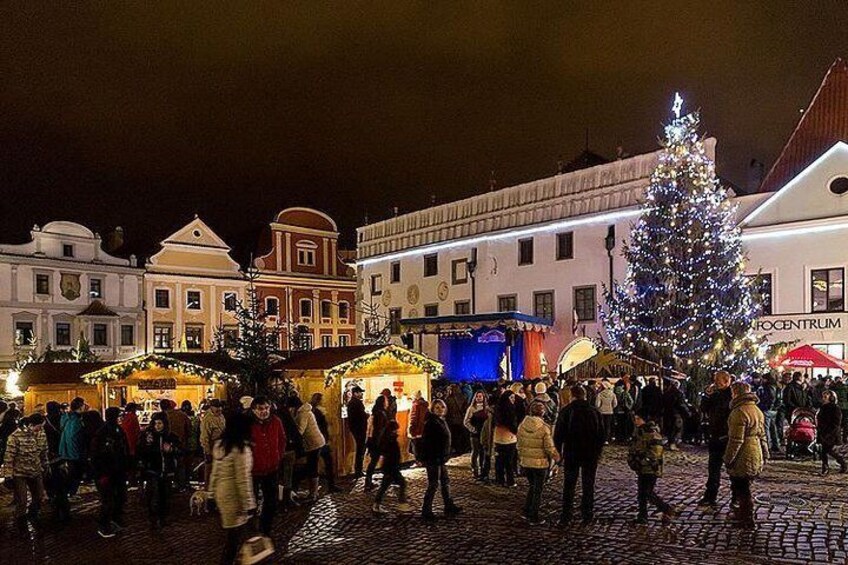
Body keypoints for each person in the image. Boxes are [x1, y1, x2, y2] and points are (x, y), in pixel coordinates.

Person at [553, 384, 605, 526]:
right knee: (588, 484)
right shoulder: (594, 411)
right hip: (590, 454)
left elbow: (558, 435)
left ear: (572, 396)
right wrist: (598, 451)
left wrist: (558, 454)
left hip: (572, 453)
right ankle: (587, 514)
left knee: (569, 485)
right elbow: (602, 434)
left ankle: (566, 516)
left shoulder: (566, 411)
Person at [209, 412, 256, 565]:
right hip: (235, 498)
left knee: (234, 538)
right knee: (234, 540)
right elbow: (243, 480)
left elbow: (214, 473)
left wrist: (211, 494)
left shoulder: (221, 445)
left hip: (222, 495)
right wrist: (249, 505)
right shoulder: (241, 449)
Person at [724, 382, 768, 529]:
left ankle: (747, 518)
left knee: (743, 488)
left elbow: (736, 440)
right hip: (755, 450)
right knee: (743, 486)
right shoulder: (756, 410)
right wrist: (765, 453)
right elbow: (762, 435)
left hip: (744, 452)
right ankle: (742, 514)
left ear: (736, 393)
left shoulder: (739, 412)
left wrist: (728, 458)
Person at [517, 401, 560, 525]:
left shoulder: (522, 425)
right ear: (543, 413)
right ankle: (533, 515)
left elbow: (519, 444)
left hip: (526, 462)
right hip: (540, 463)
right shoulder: (544, 428)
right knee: (538, 490)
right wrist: (557, 457)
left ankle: (527, 509)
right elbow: (549, 448)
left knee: (532, 486)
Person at [628, 415, 676, 524]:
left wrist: (642, 461)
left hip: (650, 468)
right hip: (642, 467)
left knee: (647, 492)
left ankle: (665, 508)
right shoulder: (640, 431)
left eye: (638, 418)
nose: (635, 421)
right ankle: (642, 515)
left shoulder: (652, 434)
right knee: (642, 493)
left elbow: (655, 454)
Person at [418, 399, 461, 521]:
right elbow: (427, 442)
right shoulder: (431, 423)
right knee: (433, 484)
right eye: (437, 407)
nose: (440, 409)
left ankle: (448, 505)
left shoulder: (441, 420)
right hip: (434, 458)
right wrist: (431, 457)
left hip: (441, 458)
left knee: (445, 481)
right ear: (432, 409)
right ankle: (426, 511)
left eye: (442, 407)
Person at [90, 407, 130, 538]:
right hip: (107, 471)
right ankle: (104, 525)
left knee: (120, 497)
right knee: (108, 500)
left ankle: (115, 520)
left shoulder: (118, 430)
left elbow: (124, 449)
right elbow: (97, 455)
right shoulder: (103, 432)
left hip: (117, 470)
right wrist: (101, 473)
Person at [250, 396, 286, 535]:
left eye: (266, 408)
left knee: (271, 501)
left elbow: (282, 440)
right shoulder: (248, 424)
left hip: (272, 468)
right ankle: (252, 530)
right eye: (260, 409)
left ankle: (265, 529)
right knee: (251, 501)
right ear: (253, 410)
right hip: (253, 470)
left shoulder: (276, 421)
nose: (264, 411)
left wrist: (278, 456)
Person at [697, 370, 733, 509]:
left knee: (732, 471)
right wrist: (707, 396)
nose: (715, 383)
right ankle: (710, 496)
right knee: (713, 469)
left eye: (717, 380)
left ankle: (736, 498)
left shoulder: (731, 396)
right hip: (715, 436)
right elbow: (704, 408)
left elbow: (725, 412)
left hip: (727, 436)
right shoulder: (715, 394)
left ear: (726, 381)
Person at [138, 412, 180, 529]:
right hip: (153, 471)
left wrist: (171, 449)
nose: (158, 426)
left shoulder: (170, 436)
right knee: (153, 495)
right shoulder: (147, 436)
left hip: (166, 471)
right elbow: (141, 452)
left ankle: (162, 518)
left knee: (165, 496)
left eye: (160, 423)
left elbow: (179, 450)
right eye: (156, 423)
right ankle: (153, 518)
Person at [4, 414, 48, 528]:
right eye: (39, 427)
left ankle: (33, 514)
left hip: (36, 470)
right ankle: (21, 522)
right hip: (20, 473)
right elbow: (9, 457)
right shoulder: (15, 436)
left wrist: (46, 465)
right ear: (30, 425)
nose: (40, 430)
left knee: (39, 496)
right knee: (22, 500)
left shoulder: (41, 434)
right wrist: (8, 475)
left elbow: (44, 451)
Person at [56, 396, 86, 521]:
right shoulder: (76, 420)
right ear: (80, 406)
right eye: (83, 404)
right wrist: (77, 453)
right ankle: (69, 494)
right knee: (75, 474)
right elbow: (74, 438)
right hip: (73, 452)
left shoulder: (66, 418)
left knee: (72, 473)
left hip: (65, 450)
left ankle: (67, 493)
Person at [372, 420, 412, 514]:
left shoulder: (387, 438)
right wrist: (396, 465)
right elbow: (392, 454)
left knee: (384, 486)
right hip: (391, 467)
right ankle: (402, 504)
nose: (397, 431)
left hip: (389, 466)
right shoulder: (390, 440)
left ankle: (376, 505)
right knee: (402, 483)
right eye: (396, 429)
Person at [295, 394, 326, 503]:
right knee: (311, 466)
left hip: (314, 444)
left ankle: (313, 494)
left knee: (311, 467)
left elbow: (300, 430)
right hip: (315, 442)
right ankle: (313, 492)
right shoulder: (306, 411)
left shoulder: (303, 413)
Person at [310, 393, 340, 493]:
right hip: (321, 440)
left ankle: (320, 487)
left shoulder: (313, 411)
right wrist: (326, 438)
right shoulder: (319, 411)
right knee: (327, 462)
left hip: (317, 440)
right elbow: (322, 427)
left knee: (318, 463)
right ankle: (330, 485)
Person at [162, 399, 192, 490]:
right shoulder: (182, 415)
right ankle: (181, 485)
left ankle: (168, 485)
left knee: (167, 465)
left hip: (166, 445)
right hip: (181, 444)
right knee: (181, 465)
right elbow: (189, 429)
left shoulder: (161, 416)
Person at [817, 390, 846, 475]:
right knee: (824, 451)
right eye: (823, 397)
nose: (823, 398)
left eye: (825, 397)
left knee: (829, 450)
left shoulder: (835, 408)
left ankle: (843, 464)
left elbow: (837, 423)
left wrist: (829, 432)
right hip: (823, 431)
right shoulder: (823, 407)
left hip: (831, 433)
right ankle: (825, 468)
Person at [493, 390, 518, 488]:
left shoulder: (497, 409)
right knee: (509, 461)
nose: (513, 400)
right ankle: (510, 481)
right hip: (509, 438)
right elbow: (512, 425)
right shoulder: (510, 410)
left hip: (498, 438)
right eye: (511, 398)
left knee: (499, 460)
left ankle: (500, 479)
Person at [200, 399, 226, 489]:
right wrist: (207, 452)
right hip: (212, 447)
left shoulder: (221, 416)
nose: (219, 409)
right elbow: (204, 437)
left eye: (220, 407)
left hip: (221, 446)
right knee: (210, 472)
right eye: (216, 407)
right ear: (211, 407)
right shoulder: (207, 419)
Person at [365, 395, 389, 491]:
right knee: (375, 461)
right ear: (383, 402)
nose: (387, 402)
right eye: (386, 400)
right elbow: (378, 430)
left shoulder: (376, 413)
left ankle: (369, 481)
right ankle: (368, 483)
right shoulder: (380, 413)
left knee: (375, 461)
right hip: (377, 441)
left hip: (374, 440)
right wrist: (380, 442)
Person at [463, 391, 488, 478]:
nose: (479, 398)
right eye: (477, 396)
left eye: (480, 396)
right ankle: (475, 469)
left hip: (484, 434)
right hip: (475, 434)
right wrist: (473, 429)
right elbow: (466, 421)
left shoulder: (487, 408)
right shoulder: (471, 408)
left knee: (483, 452)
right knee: (475, 452)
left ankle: (483, 469)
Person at [346, 386, 368, 478]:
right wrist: (367, 415)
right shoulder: (357, 403)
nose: (361, 394)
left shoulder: (351, 403)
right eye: (360, 392)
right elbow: (361, 416)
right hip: (359, 429)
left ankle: (358, 470)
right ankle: (358, 470)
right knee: (360, 449)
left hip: (355, 428)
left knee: (360, 449)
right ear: (355, 393)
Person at [755, 374, 780, 453]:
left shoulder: (768, 387)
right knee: (773, 428)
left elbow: (770, 398)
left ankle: (767, 446)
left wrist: (765, 406)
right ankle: (776, 444)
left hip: (768, 410)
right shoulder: (776, 386)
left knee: (766, 428)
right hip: (773, 410)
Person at [662, 380, 689, 450]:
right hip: (676, 413)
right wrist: (687, 412)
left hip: (667, 413)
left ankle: (670, 442)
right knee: (676, 428)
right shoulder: (679, 393)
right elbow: (681, 404)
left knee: (669, 428)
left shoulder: (666, 393)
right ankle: (672, 443)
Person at [445, 384, 469, 454]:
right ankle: (461, 449)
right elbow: (465, 408)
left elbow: (447, 410)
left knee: (454, 436)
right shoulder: (462, 397)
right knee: (459, 436)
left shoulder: (448, 399)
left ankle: (456, 449)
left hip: (452, 421)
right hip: (459, 420)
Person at [614, 376, 637, 443]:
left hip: (618, 411)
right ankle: (625, 438)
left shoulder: (615, 393)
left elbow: (614, 403)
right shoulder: (625, 393)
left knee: (619, 425)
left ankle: (619, 438)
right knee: (625, 425)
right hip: (625, 411)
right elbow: (631, 401)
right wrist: (629, 407)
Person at [595, 379, 618, 445]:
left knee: (602, 425)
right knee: (608, 425)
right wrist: (611, 407)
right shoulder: (612, 394)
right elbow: (615, 403)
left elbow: (597, 404)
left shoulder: (600, 394)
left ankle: (601, 438)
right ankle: (607, 439)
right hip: (610, 411)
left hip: (601, 412)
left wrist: (599, 408)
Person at [408, 390, 429, 460]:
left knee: (416, 447)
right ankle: (422, 460)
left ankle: (418, 461)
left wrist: (411, 429)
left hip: (416, 429)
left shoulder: (416, 405)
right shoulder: (425, 405)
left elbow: (413, 417)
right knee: (420, 446)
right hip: (423, 429)